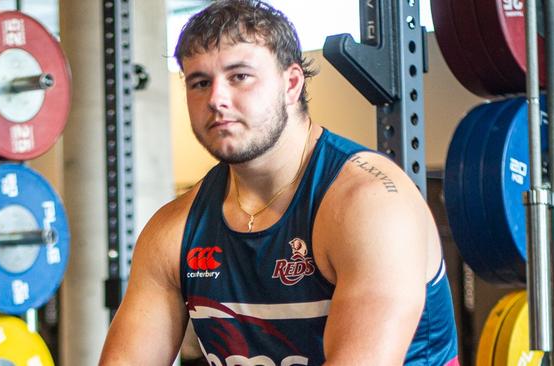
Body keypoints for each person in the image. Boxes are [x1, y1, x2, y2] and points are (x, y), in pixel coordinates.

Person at [99, 1, 459, 365]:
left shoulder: (369, 205)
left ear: (291, 83)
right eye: (200, 82)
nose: (216, 99)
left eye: (239, 76)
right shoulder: (173, 231)